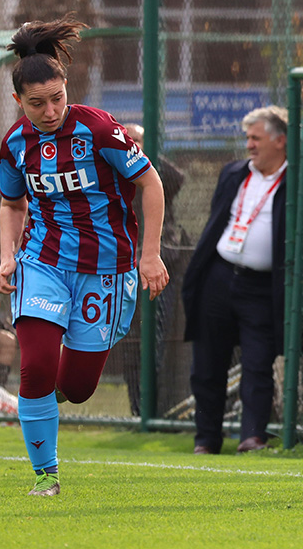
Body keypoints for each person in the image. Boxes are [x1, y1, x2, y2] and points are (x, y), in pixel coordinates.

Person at [0, 15, 169, 496]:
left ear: (66, 88)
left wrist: (150, 255)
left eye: (57, 98)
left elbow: (151, 183)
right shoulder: (14, 144)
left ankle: (40, 402)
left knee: (76, 387)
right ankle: (46, 475)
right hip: (42, 262)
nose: (50, 110)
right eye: (37, 103)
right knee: (35, 365)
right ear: (18, 100)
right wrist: (8, 256)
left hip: (105, 270)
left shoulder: (99, 129)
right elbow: (12, 204)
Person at [181, 106, 288, 455]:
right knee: (207, 364)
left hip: (262, 287)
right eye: (248, 138)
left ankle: (253, 436)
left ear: (280, 141)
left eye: (256, 138)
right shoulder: (233, 173)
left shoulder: (296, 180)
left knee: (257, 363)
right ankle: (206, 439)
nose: (249, 145)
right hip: (219, 276)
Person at [120, 123, 186, 417]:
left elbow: (175, 180)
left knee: (157, 339)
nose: (131, 144)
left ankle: (159, 410)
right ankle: (138, 410)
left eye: (137, 140)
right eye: (127, 140)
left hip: (158, 266)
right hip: (123, 266)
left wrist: (141, 156)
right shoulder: (112, 171)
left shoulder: (155, 172)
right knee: (130, 343)